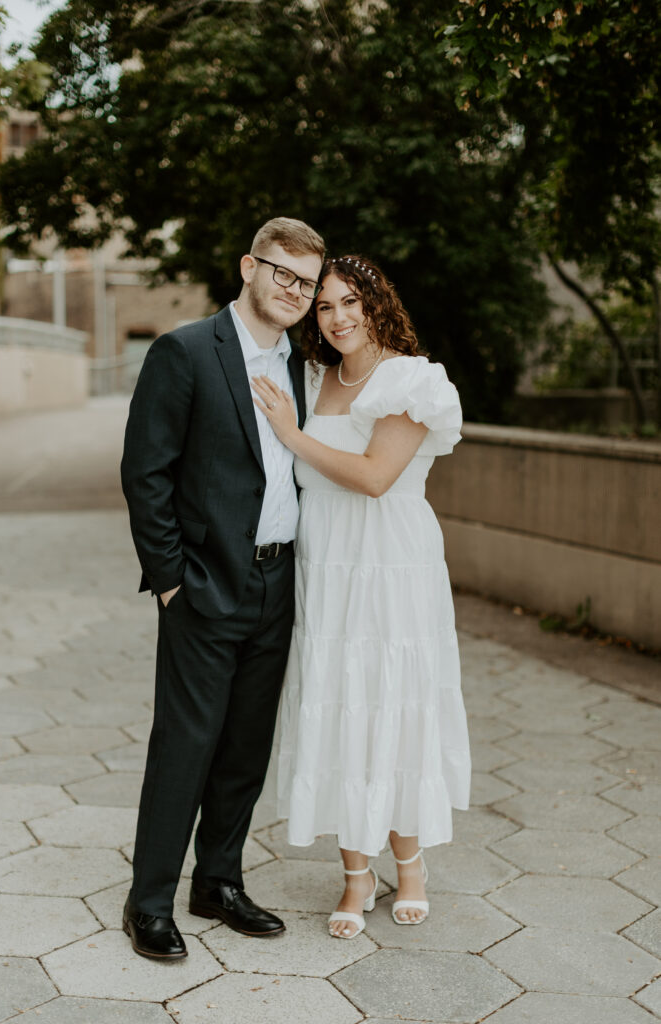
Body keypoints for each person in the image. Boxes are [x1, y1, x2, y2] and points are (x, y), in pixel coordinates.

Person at [120, 216, 325, 960]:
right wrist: (171, 582)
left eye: (306, 281)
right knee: (185, 744)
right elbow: (145, 473)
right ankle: (148, 903)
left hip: (279, 582)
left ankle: (218, 883)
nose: (295, 291)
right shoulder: (184, 351)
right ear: (249, 266)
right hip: (204, 585)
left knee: (245, 746)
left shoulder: (304, 367)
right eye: (282, 273)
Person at [251, 255, 471, 939]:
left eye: (351, 301)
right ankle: (354, 877)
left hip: (393, 568)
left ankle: (409, 868)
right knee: (339, 709)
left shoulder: (410, 378)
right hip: (330, 568)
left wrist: (292, 437)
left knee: (394, 707)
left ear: (378, 304)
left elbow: (376, 476)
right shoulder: (311, 379)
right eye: (324, 306)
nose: (339, 317)